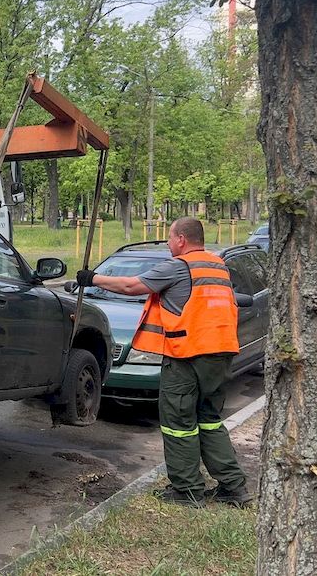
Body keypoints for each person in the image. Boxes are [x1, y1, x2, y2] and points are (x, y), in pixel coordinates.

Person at [75, 217, 252, 508]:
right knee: (209, 419)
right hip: (221, 353)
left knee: (178, 421)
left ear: (181, 239)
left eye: (170, 238)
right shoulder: (217, 266)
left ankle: (187, 490)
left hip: (187, 355)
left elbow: (132, 286)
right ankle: (234, 487)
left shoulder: (179, 266)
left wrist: (92, 279)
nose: (169, 244)